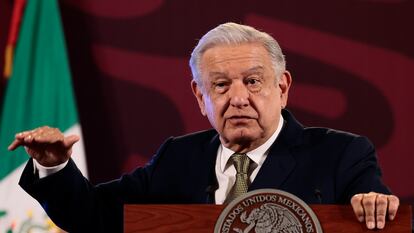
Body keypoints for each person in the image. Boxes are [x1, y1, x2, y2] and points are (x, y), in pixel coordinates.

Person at [9, 22, 399, 232]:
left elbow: (371, 202)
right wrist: (54, 166)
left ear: (282, 88)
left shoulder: (340, 154)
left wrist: (373, 203)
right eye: (221, 85)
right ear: (200, 97)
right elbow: (91, 216)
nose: (238, 98)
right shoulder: (178, 158)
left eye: (253, 81)